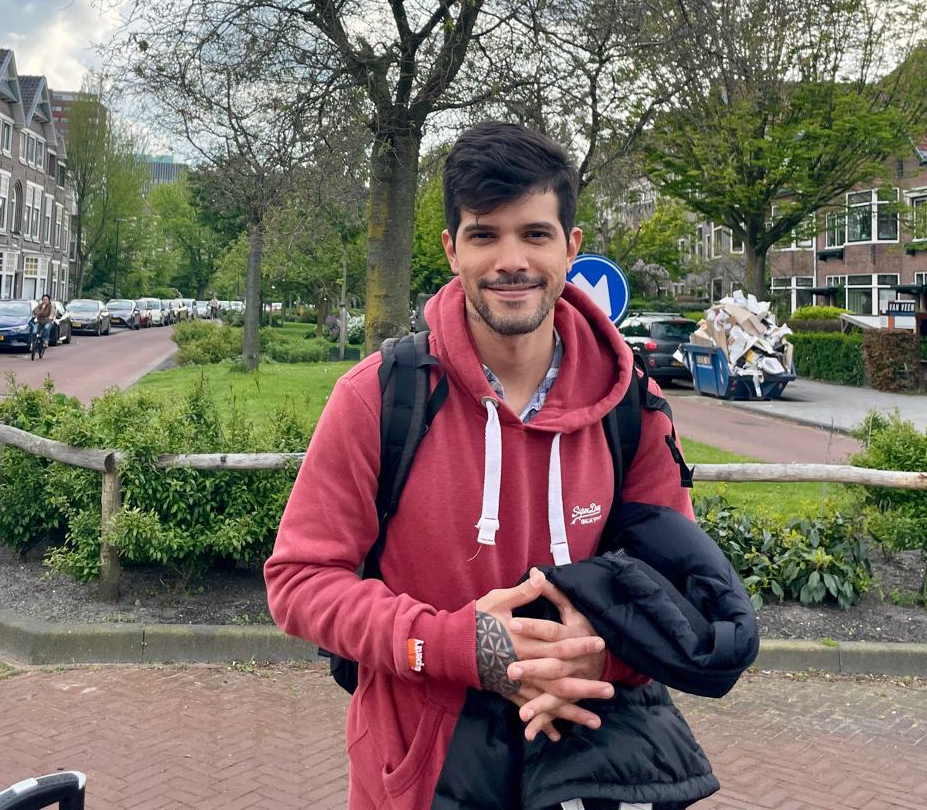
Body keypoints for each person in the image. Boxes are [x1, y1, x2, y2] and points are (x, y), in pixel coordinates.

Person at [265, 123, 715, 810]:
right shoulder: (379, 397)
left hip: (587, 767)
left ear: (572, 247)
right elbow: (299, 582)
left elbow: (677, 594)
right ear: (451, 249)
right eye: (485, 234)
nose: (512, 260)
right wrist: (452, 645)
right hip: (420, 772)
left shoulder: (632, 405)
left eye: (534, 234)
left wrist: (601, 658)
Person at [30, 292, 55, 359]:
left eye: (46, 299)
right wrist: (42, 309)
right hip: (40, 321)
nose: (45, 301)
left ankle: (45, 341)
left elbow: (52, 313)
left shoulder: (51, 306)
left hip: (48, 321)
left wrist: (51, 317)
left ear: (49, 300)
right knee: (34, 331)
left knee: (47, 328)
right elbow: (37, 313)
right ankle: (33, 344)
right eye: (44, 299)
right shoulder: (40, 306)